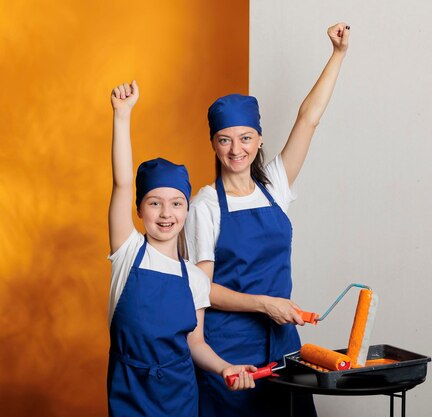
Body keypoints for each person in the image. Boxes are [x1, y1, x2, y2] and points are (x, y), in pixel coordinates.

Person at [185, 23, 350, 416]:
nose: (236, 149)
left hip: (283, 347)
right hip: (230, 352)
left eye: (245, 138)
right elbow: (203, 290)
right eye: (225, 139)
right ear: (213, 144)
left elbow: (308, 119)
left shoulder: (274, 185)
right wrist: (264, 304)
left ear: (259, 139)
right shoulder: (205, 205)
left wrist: (338, 55)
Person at [106, 80, 256, 417]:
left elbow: (196, 343)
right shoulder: (126, 252)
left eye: (176, 203)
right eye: (154, 203)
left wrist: (224, 368)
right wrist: (122, 115)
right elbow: (120, 181)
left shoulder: (194, 278)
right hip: (131, 390)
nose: (166, 213)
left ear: (186, 210)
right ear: (139, 210)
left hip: (180, 395)